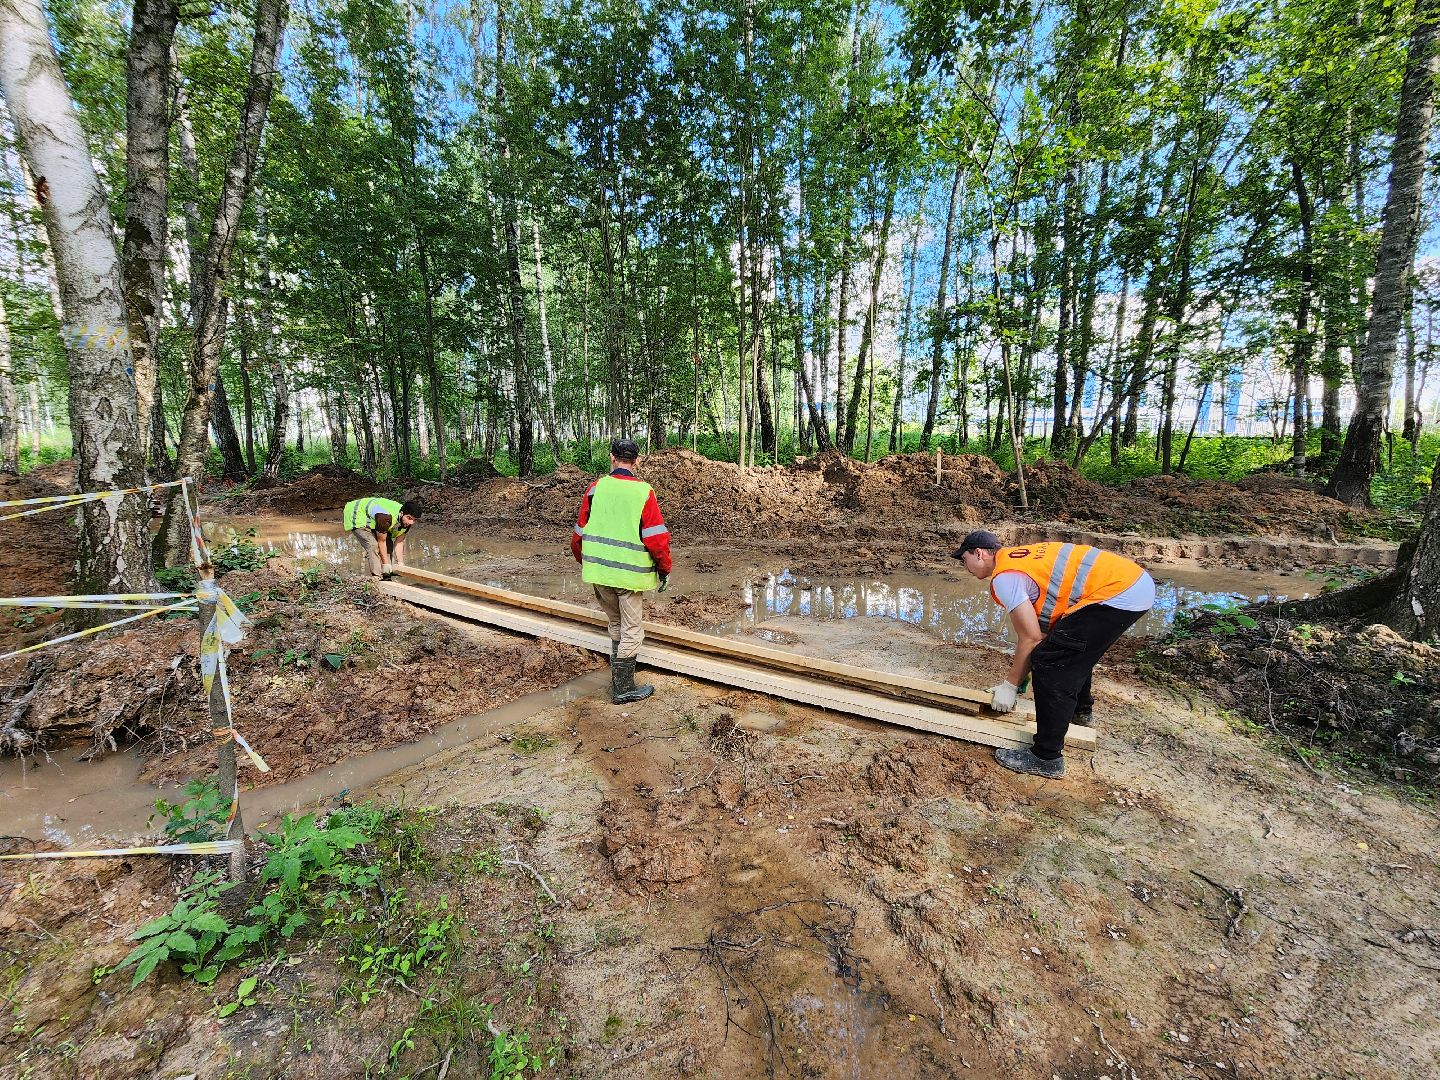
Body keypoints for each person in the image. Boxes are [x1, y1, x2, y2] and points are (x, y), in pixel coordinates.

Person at [955, 530, 1154, 779]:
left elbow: (1031, 638)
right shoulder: (1018, 559)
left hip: (1118, 594)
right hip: (1132, 584)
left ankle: (1046, 756)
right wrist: (1023, 674)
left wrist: (1010, 685)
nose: (966, 567)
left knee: (1051, 663)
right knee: (1068, 647)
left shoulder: (1005, 578)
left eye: (965, 560)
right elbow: (1043, 632)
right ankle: (1080, 712)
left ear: (980, 553)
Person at [572, 438, 673, 704]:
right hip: (628, 576)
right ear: (637, 461)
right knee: (632, 630)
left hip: (599, 574)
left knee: (615, 624)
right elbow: (656, 538)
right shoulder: (643, 492)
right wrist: (664, 569)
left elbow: (579, 533)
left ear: (612, 458)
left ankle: (618, 681)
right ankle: (624, 688)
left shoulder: (595, 489)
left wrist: (587, 562)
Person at [343, 496, 421, 580]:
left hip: (376, 518)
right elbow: (381, 541)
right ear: (402, 513)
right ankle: (377, 577)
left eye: (414, 520)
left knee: (389, 544)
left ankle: (387, 574)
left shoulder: (406, 523)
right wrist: (385, 564)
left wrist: (401, 564)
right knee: (372, 545)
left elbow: (399, 542)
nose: (411, 522)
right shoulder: (385, 517)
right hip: (358, 513)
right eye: (409, 518)